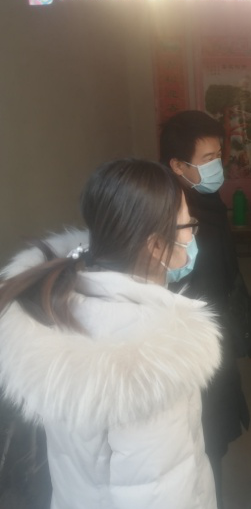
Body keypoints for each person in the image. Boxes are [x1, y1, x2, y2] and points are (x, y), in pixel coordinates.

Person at [0, 159, 221, 509]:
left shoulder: (62, 303)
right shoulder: (151, 356)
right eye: (187, 226)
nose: (192, 236)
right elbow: (155, 493)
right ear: (155, 245)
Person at [159, 110, 251, 507]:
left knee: (212, 441)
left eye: (218, 154)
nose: (217, 164)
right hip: (187, 346)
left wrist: (247, 333)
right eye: (207, 158)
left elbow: (227, 274)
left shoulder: (208, 202)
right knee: (197, 439)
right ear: (177, 165)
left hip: (215, 333)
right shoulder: (169, 211)